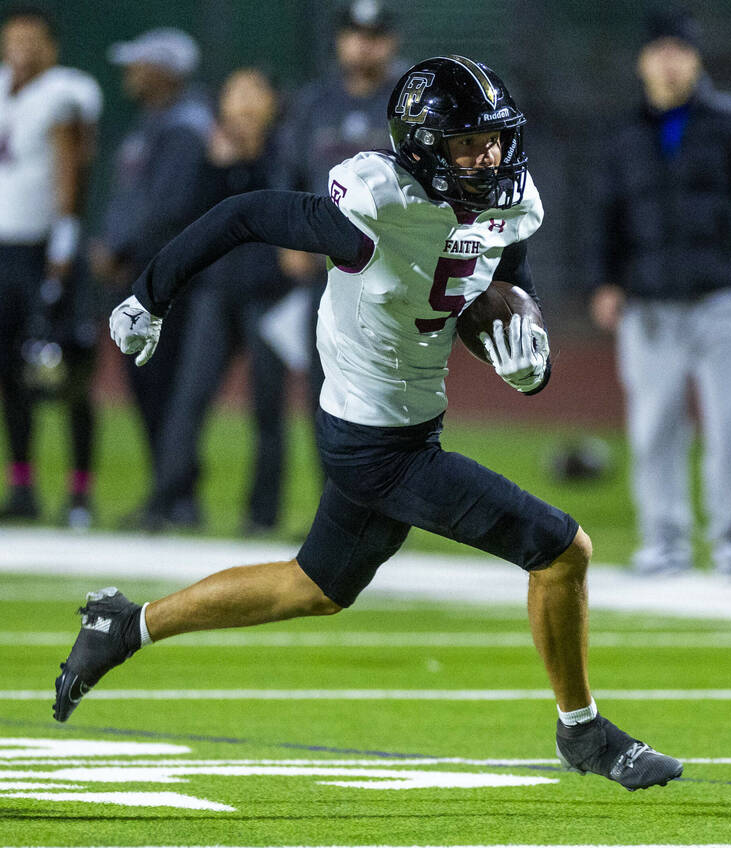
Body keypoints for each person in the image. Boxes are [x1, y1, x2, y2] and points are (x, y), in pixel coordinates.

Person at [53, 56, 683, 793]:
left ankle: (124, 627)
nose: (489, 157)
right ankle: (583, 731)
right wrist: (148, 297)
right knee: (561, 551)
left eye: (495, 140)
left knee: (313, 585)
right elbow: (245, 214)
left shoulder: (510, 199)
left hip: (397, 427)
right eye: (468, 145)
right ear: (420, 147)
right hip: (378, 443)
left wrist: (528, 364)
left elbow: (511, 288)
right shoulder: (376, 208)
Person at [588, 7, 731, 577]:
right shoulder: (623, 135)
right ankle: (664, 540)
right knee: (653, 429)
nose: (670, 63)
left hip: (726, 300)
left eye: (680, 51)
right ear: (643, 62)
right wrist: (604, 281)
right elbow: (605, 218)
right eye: (660, 51)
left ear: (696, 59)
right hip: (651, 304)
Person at [0, 5, 103, 527]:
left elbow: (71, 171)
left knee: (66, 371)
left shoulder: (63, 94)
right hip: (3, 252)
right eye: (12, 37)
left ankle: (80, 493)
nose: (20, 47)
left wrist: (64, 247)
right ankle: (21, 486)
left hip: (48, 251)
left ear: (51, 47)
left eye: (31, 38)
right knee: (6, 366)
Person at [142, 68, 291, 534]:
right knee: (189, 398)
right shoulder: (209, 153)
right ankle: (170, 500)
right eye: (235, 93)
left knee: (269, 408)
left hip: (270, 296)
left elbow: (288, 211)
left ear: (272, 104)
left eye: (254, 93)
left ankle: (261, 515)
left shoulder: (284, 151)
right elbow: (193, 220)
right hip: (216, 292)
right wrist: (220, 165)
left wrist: (251, 159)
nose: (244, 104)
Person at [91, 28, 213, 527]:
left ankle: (176, 495)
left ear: (164, 72)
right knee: (148, 385)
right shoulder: (155, 122)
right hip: (142, 272)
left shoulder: (184, 127)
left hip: (164, 278)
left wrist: (118, 248)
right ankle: (167, 491)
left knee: (163, 384)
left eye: (140, 65)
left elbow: (169, 209)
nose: (130, 74)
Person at [274, 0, 400, 423]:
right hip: (323, 269)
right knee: (322, 388)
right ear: (340, 41)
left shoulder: (409, 100)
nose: (365, 46)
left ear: (391, 42)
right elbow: (288, 173)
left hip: (391, 271)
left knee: (389, 392)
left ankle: (379, 487)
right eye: (356, 36)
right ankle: (334, 489)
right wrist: (289, 240)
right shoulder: (314, 102)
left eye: (375, 37)